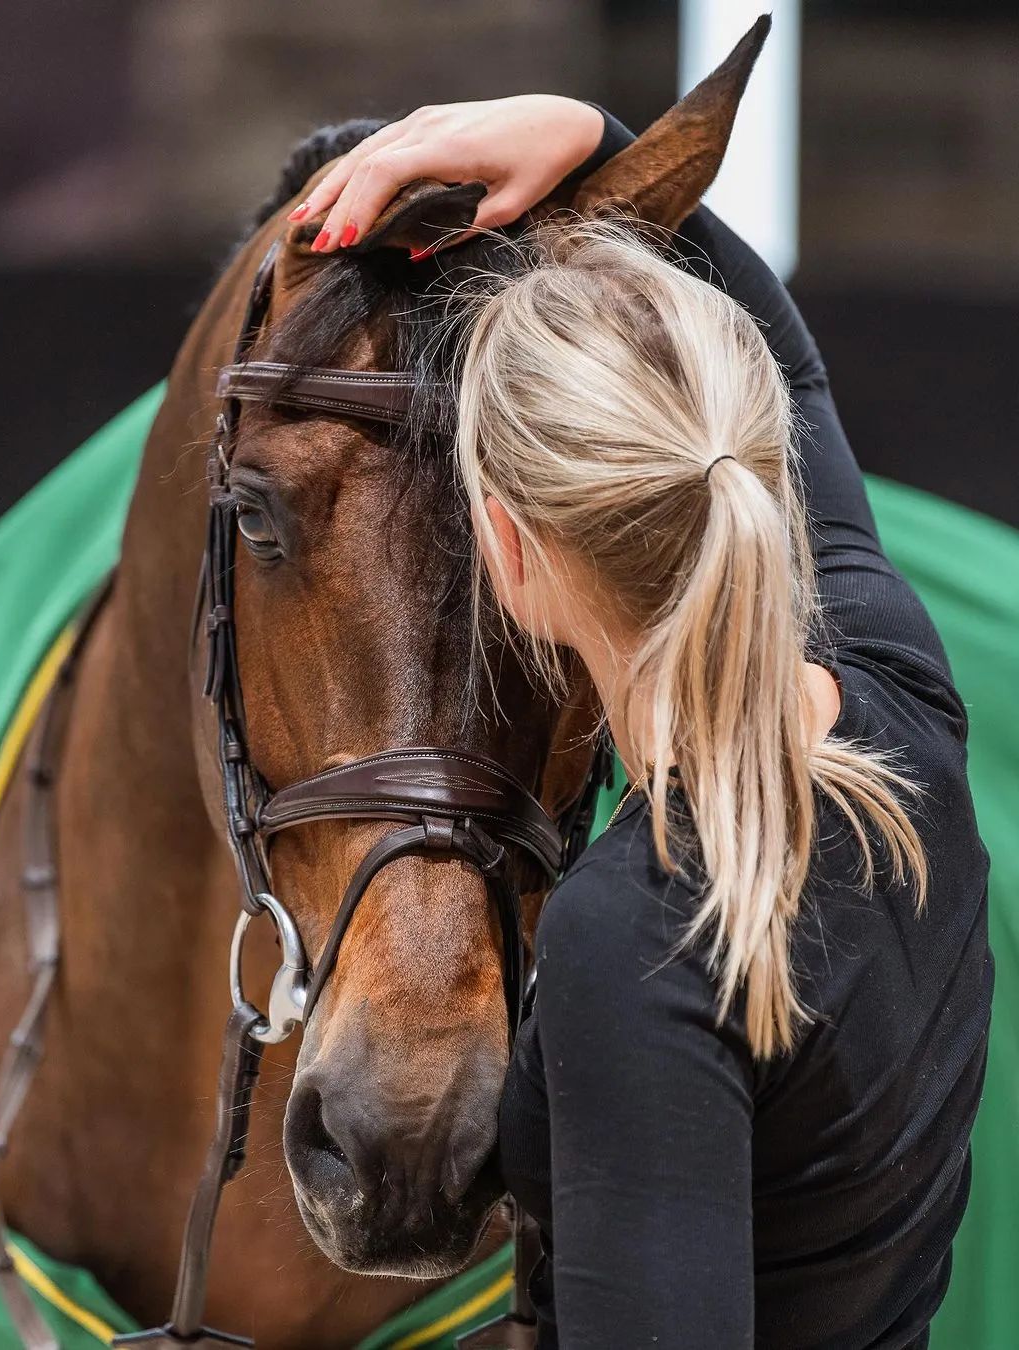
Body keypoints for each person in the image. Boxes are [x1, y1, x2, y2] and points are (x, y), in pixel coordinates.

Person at [266, 99, 992, 1347]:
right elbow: (797, 368)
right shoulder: (897, 699)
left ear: (503, 547)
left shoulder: (637, 938)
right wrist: (595, 139)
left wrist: (587, 130)